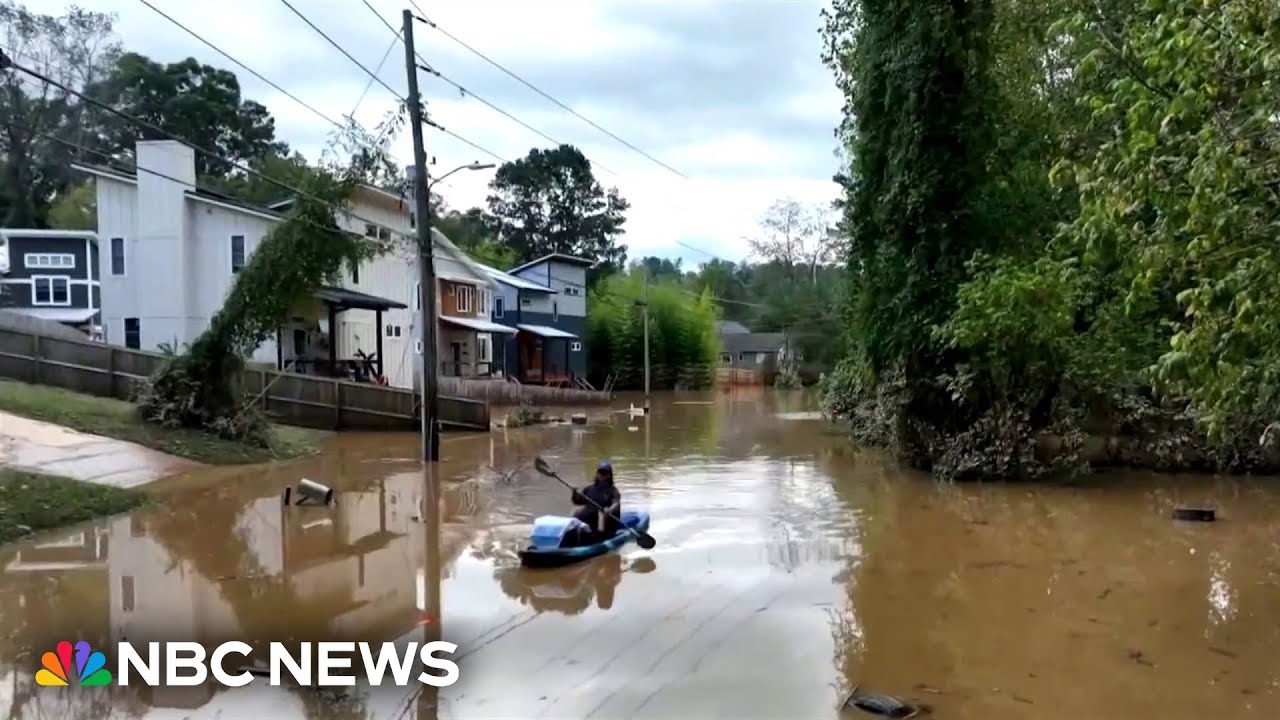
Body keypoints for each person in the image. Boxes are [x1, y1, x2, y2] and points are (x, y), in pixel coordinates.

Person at [563, 461, 622, 547]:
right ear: (597, 473)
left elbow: (616, 503)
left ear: (609, 476)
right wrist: (574, 494)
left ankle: (599, 538)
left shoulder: (613, 491)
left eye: (604, 473)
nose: (601, 475)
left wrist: (610, 510)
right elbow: (577, 502)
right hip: (590, 523)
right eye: (600, 472)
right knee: (576, 511)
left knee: (601, 513)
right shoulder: (589, 489)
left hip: (606, 525)